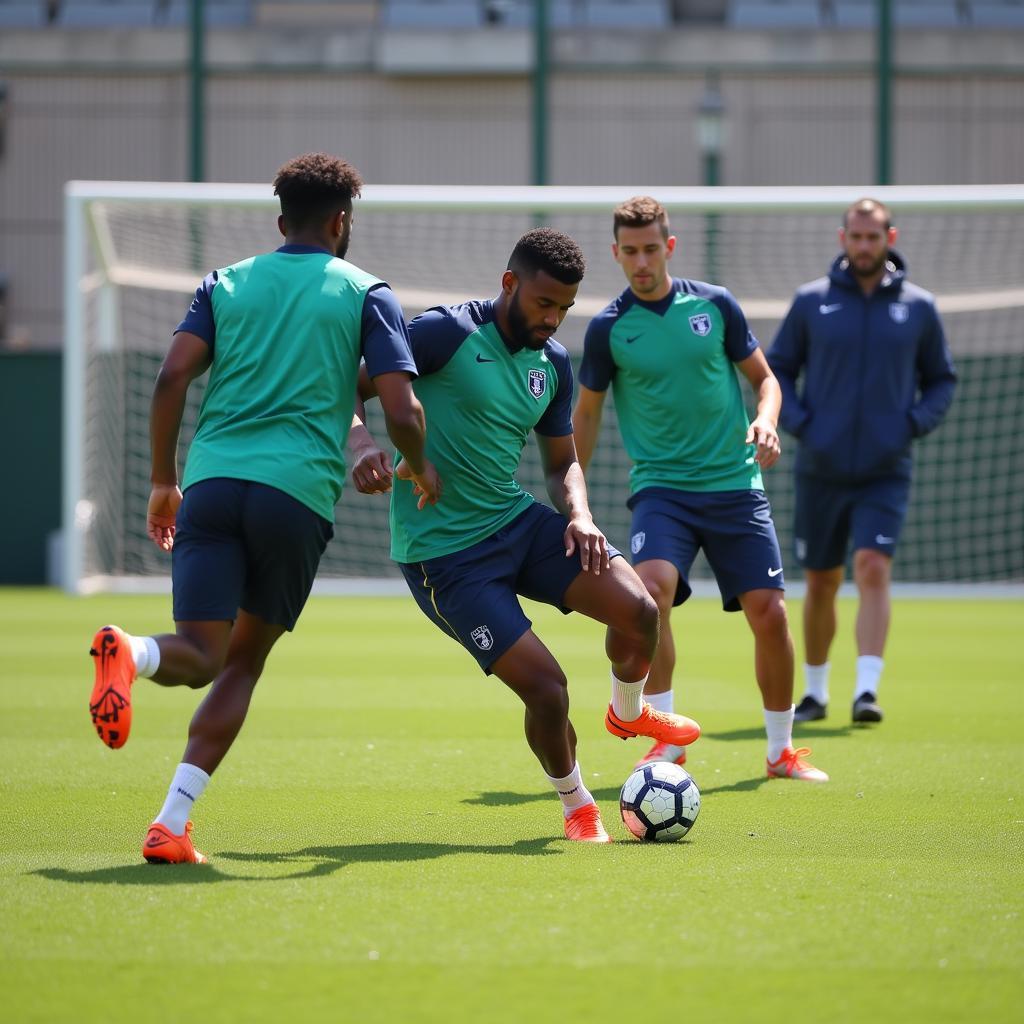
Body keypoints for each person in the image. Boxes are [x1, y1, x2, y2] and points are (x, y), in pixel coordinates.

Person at [87, 152, 440, 864]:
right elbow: (400, 401)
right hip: (294, 497)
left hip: (212, 486)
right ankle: (170, 821)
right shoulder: (366, 291)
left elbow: (172, 375)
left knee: (197, 651)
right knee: (240, 663)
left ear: (281, 221)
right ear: (343, 222)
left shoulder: (227, 282)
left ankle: (137, 654)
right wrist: (419, 463)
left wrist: (163, 481)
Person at [350, 227, 701, 843]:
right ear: (509, 283)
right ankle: (578, 805)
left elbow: (562, 461)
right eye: (544, 303)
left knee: (641, 609)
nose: (553, 318)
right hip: (446, 559)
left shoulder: (553, 364)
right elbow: (344, 389)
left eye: (565, 308)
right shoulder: (444, 333)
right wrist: (363, 446)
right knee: (548, 689)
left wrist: (580, 516)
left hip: (515, 521)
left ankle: (626, 714)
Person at [572, 196, 827, 783]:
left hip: (736, 484)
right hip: (663, 490)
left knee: (770, 614)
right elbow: (585, 416)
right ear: (616, 253)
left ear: (670, 246)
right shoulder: (609, 327)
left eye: (651, 248)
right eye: (629, 251)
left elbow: (766, 381)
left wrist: (766, 419)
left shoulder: (715, 305)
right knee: (651, 591)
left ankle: (780, 752)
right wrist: (575, 502)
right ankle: (666, 743)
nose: (641, 261)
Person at [768, 197, 956, 724]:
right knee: (822, 579)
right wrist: (804, 425)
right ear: (842, 238)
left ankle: (866, 692)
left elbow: (942, 380)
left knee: (873, 567)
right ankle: (816, 692)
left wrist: (910, 425)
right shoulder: (811, 302)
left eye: (874, 237)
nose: (865, 245)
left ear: (890, 237)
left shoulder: (919, 307)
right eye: (857, 236)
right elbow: (777, 371)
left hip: (886, 469)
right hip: (820, 467)